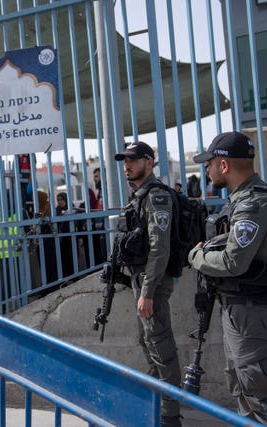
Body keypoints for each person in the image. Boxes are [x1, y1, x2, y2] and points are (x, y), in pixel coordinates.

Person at [188, 131, 267, 426]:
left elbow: (233, 261)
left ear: (224, 166)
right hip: (240, 312)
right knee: (243, 389)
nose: (206, 170)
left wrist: (196, 257)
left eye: (209, 163)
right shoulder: (243, 200)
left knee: (263, 394)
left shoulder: (253, 203)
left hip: (250, 313)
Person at [113, 142, 182, 426]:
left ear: (149, 162)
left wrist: (148, 291)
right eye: (124, 161)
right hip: (141, 281)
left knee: (161, 347)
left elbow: (159, 248)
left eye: (133, 160)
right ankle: (158, 406)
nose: (127, 165)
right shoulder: (139, 196)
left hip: (152, 283)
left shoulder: (156, 197)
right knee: (149, 343)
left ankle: (170, 417)